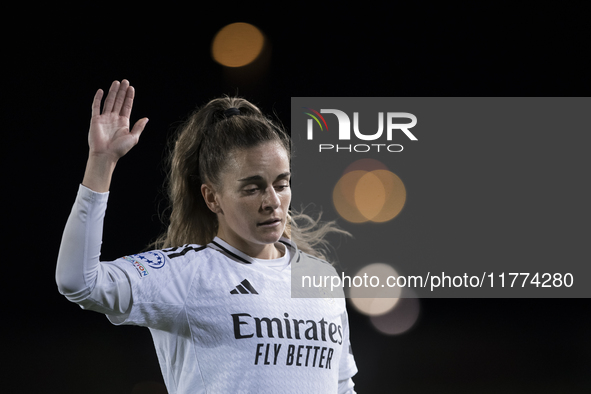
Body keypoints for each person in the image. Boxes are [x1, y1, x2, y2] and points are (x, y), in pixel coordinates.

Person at [56, 80, 358, 393]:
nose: (272, 201)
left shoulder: (321, 277)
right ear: (212, 198)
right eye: (252, 188)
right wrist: (102, 162)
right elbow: (78, 281)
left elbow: (342, 386)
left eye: (281, 184)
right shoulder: (185, 276)